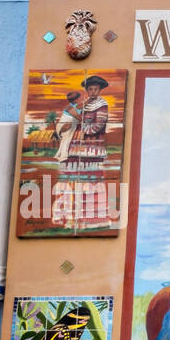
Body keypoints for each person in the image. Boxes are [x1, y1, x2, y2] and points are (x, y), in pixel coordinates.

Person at [52, 73, 111, 229]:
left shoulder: (102, 105)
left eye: (95, 89)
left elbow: (97, 126)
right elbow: (74, 122)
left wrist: (79, 121)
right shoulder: (84, 105)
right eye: (90, 89)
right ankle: (69, 217)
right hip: (74, 148)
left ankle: (90, 219)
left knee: (89, 181)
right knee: (70, 181)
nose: (92, 92)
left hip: (91, 149)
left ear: (99, 90)